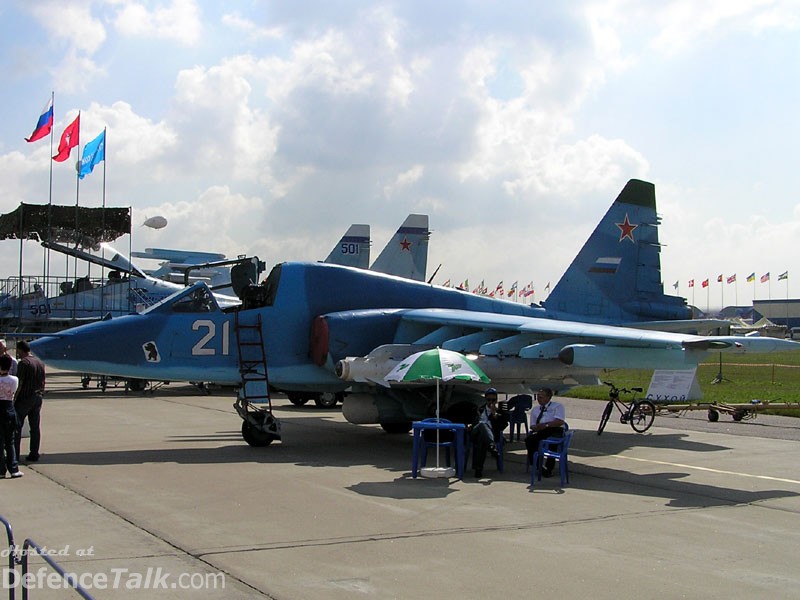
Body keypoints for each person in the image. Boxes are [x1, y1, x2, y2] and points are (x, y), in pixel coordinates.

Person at [14, 340, 45, 463]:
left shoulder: (24, 363)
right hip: (38, 396)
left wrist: (14, 398)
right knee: (35, 427)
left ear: (21, 350)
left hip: (25, 398)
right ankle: (34, 453)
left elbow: (19, 383)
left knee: (17, 426)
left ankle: (15, 454)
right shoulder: (39, 362)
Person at [524, 387, 565, 477]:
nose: (539, 399)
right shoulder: (536, 409)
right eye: (538, 397)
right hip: (541, 430)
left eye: (541, 397)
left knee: (552, 444)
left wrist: (546, 425)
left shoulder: (557, 407)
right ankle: (538, 465)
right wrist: (536, 427)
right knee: (529, 440)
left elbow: (559, 421)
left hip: (554, 429)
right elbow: (532, 425)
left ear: (548, 398)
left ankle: (549, 468)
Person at [469, 388, 509, 478]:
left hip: (489, 435)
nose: (491, 402)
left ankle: (478, 469)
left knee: (482, 440)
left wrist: (494, 415)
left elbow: (502, 426)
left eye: (493, 400)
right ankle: (492, 446)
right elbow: (473, 422)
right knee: (482, 425)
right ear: (485, 399)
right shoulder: (479, 409)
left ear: (496, 400)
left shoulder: (500, 412)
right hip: (475, 432)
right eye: (488, 400)